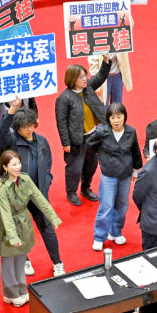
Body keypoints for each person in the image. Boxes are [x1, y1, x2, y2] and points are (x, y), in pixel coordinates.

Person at [0, 98, 65, 277]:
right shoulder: (12, 142)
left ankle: (57, 262)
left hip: (38, 193)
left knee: (47, 228)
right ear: (17, 128)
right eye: (25, 127)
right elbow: (1, 133)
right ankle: (25, 259)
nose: (29, 129)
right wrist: (12, 109)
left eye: (31, 125)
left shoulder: (42, 142)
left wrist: (47, 181)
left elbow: (48, 165)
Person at [0, 150, 61, 307]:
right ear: (5, 167)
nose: (18, 167)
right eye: (14, 164)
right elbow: (5, 213)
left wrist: (53, 217)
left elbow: (39, 198)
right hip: (9, 226)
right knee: (9, 262)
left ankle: (21, 290)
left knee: (21, 260)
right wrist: (13, 236)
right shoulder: (1, 186)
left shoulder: (25, 179)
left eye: (19, 163)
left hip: (23, 223)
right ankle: (10, 294)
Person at [55, 56, 111, 206]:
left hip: (93, 136)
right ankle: (71, 192)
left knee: (91, 165)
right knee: (74, 168)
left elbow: (101, 76)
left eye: (85, 75)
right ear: (72, 79)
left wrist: (106, 61)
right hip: (76, 140)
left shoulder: (88, 88)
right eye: (81, 77)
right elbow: (61, 122)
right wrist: (65, 142)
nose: (85, 78)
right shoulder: (64, 99)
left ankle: (85, 188)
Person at [87, 102, 143, 251]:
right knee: (106, 206)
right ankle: (99, 236)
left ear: (124, 117)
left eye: (119, 117)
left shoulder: (131, 131)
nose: (116, 121)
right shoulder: (102, 132)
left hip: (125, 174)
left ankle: (115, 231)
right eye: (112, 118)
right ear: (108, 119)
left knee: (122, 205)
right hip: (109, 175)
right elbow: (89, 145)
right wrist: (101, 157)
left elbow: (136, 150)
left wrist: (137, 170)